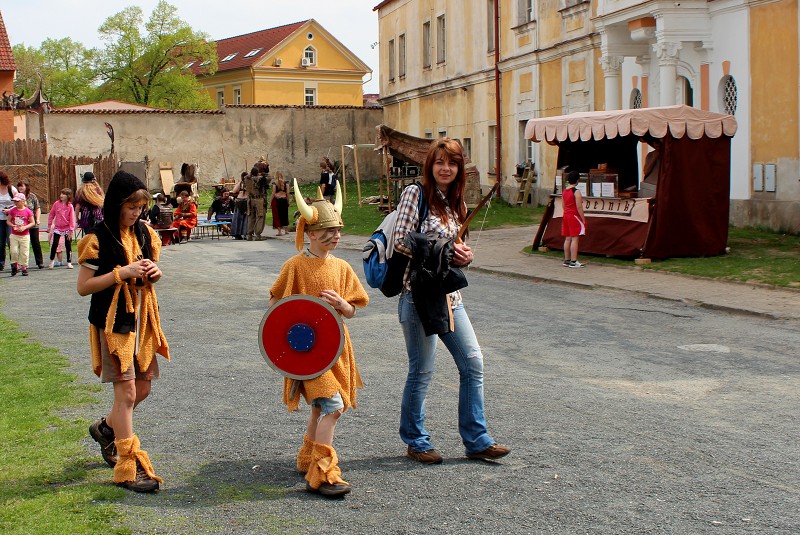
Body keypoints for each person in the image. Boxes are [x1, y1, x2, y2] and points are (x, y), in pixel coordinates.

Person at [391, 137, 511, 465]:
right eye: (440, 162)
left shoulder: (455, 203)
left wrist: (464, 256)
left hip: (450, 299)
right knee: (422, 371)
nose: (446, 168)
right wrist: (443, 247)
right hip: (417, 298)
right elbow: (400, 241)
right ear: (430, 166)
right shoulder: (415, 194)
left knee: (473, 364)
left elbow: (453, 257)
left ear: (460, 169)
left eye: (453, 163)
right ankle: (416, 440)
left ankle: (477, 440)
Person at [268, 180, 368, 498]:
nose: (335, 236)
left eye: (338, 230)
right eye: (328, 231)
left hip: (334, 349)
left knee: (320, 408)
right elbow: (275, 309)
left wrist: (342, 305)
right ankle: (323, 473)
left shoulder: (341, 266)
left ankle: (309, 456)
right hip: (307, 352)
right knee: (333, 407)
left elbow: (352, 311)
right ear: (310, 233)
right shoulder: (294, 266)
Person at [77, 170, 170, 494]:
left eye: (140, 207)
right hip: (112, 323)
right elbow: (84, 287)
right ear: (116, 204)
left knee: (141, 391)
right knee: (127, 393)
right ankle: (128, 467)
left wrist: (153, 273)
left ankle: (105, 429)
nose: (136, 213)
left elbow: (149, 275)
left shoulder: (144, 234)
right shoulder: (97, 238)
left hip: (141, 322)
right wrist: (120, 273)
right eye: (131, 207)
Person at [561, 170, 586, 268]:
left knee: (567, 238)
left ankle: (567, 260)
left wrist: (566, 212)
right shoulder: (576, 191)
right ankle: (573, 261)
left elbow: (563, 205)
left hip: (566, 215)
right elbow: (579, 206)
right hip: (574, 215)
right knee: (575, 238)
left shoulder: (565, 191)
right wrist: (583, 218)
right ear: (577, 180)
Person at [16, 181, 44, 269]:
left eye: (22, 186)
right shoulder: (16, 197)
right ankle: (23, 263)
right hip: (21, 224)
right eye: (19, 186)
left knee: (35, 242)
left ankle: (40, 262)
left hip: (32, 223)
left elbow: (37, 208)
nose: (20, 188)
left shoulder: (32, 196)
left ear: (26, 187)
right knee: (23, 244)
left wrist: (38, 219)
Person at [7, 192, 35, 276]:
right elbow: (8, 221)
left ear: (23, 201)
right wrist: (13, 225)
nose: (16, 203)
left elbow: (32, 222)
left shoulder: (28, 211)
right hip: (14, 235)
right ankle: (15, 265)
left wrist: (25, 227)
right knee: (14, 251)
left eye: (18, 201)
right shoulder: (12, 210)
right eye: (15, 201)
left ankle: (24, 267)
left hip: (25, 235)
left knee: (24, 252)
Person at [48, 188, 76, 269]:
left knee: (68, 245)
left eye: (63, 194)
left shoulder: (70, 206)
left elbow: (72, 219)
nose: (61, 196)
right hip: (57, 227)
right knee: (55, 244)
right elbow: (51, 214)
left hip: (67, 228)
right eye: (61, 194)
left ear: (68, 196)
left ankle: (69, 262)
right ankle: (51, 260)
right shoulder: (56, 204)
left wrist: (71, 230)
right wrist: (49, 225)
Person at [243, 165, 268, 240]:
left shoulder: (247, 179)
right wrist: (263, 174)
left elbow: (247, 177)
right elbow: (267, 179)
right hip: (258, 199)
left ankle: (249, 235)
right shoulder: (258, 178)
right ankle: (258, 234)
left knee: (251, 217)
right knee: (260, 216)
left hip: (250, 200)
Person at [0, 171, 18, 271]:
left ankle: (14, 264)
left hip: (10, 218)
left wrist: (10, 210)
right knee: (0, 242)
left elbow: (20, 202)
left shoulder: (11, 189)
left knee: (10, 241)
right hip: (0, 218)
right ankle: (1, 263)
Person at [270, 171, 290, 236]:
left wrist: (270, 201)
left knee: (278, 215)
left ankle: (279, 231)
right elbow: (288, 193)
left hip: (278, 200)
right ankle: (286, 230)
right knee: (285, 214)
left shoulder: (275, 184)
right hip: (284, 200)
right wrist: (288, 201)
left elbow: (273, 193)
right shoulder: (286, 183)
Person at [231, 171, 249, 240]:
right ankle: (245, 233)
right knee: (246, 218)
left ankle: (237, 233)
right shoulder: (249, 183)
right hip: (246, 200)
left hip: (239, 200)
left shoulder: (240, 183)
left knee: (238, 218)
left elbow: (234, 191)